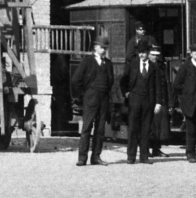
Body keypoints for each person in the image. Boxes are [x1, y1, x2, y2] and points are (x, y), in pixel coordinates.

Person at [69, 39, 120, 167]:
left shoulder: (108, 63)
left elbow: (111, 81)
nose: (104, 50)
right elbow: (75, 80)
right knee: (86, 128)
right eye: (101, 47)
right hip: (90, 99)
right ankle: (82, 158)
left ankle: (96, 157)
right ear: (95, 47)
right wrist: (82, 96)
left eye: (105, 48)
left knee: (100, 129)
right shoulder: (87, 61)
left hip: (103, 100)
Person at [124, 45, 166, 164]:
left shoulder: (154, 67)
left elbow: (158, 85)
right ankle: (131, 157)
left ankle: (144, 157)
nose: (141, 55)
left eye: (143, 52)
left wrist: (158, 102)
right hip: (134, 101)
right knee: (133, 129)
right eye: (139, 53)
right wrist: (127, 94)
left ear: (148, 53)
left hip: (148, 102)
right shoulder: (132, 64)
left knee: (146, 129)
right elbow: (123, 80)